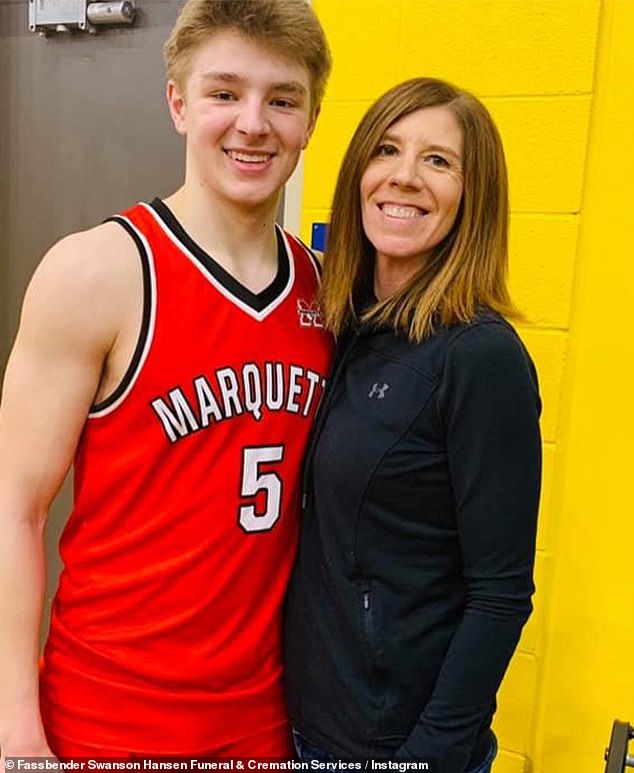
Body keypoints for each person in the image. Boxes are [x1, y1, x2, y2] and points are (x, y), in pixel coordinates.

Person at [0, 0, 332, 760]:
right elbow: (13, 508)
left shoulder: (328, 289)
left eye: (282, 99)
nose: (254, 123)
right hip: (105, 717)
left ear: (310, 120)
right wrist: (15, 725)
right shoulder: (98, 272)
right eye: (225, 93)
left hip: (265, 722)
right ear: (178, 103)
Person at [284, 77, 541, 773]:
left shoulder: (480, 358)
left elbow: (502, 592)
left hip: (391, 747)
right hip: (301, 725)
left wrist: (430, 756)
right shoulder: (348, 326)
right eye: (388, 149)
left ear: (471, 195)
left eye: (438, 160)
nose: (405, 176)